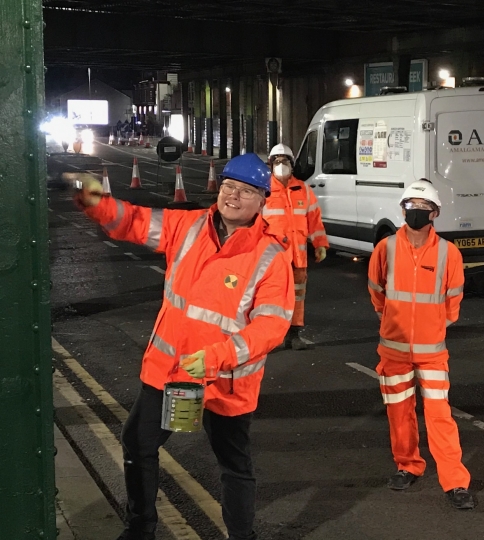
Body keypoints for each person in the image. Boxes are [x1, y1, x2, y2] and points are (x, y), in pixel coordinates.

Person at [72, 153, 295, 540]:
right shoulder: (189, 225)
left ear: (263, 201)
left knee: (234, 465)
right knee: (137, 443)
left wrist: (214, 358)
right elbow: (136, 222)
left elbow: (271, 328)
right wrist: (96, 203)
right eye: (228, 186)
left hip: (225, 383)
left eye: (245, 191)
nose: (232, 196)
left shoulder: (271, 256)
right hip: (172, 372)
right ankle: (141, 528)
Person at [367, 179, 474, 510]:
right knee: (399, 414)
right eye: (411, 207)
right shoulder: (384, 249)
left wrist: (433, 328)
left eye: (423, 208)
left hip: (432, 354)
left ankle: (455, 481)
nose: (416, 213)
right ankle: (407, 465)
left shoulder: (449, 253)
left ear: (435, 214)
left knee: (440, 415)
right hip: (394, 350)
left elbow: (453, 301)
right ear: (402, 210)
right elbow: (377, 292)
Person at [263, 143, 329, 350]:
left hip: (297, 257)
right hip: (272, 258)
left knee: (297, 296)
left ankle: (294, 334)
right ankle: (273, 335)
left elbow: (314, 221)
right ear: (270, 164)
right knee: (273, 297)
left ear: (292, 164)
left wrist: (320, 244)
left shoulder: (304, 190)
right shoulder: (263, 191)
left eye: (285, 161)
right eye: (277, 161)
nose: (281, 165)